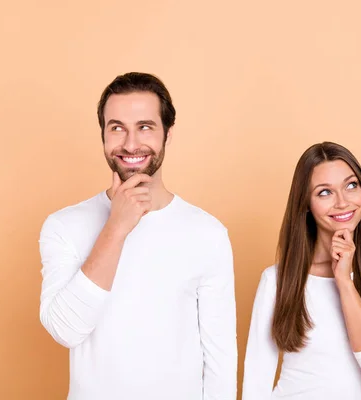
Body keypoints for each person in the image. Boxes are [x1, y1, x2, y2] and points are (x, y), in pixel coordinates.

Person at [38, 72, 237, 400]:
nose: (130, 144)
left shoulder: (208, 234)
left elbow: (220, 360)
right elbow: (66, 330)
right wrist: (116, 227)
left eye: (145, 127)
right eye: (117, 128)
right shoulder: (63, 226)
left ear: (167, 134)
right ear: (102, 134)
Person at [242, 141, 361, 400]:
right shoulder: (277, 280)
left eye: (351, 185)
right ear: (306, 204)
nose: (343, 202)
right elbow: (256, 382)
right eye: (325, 192)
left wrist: (344, 282)